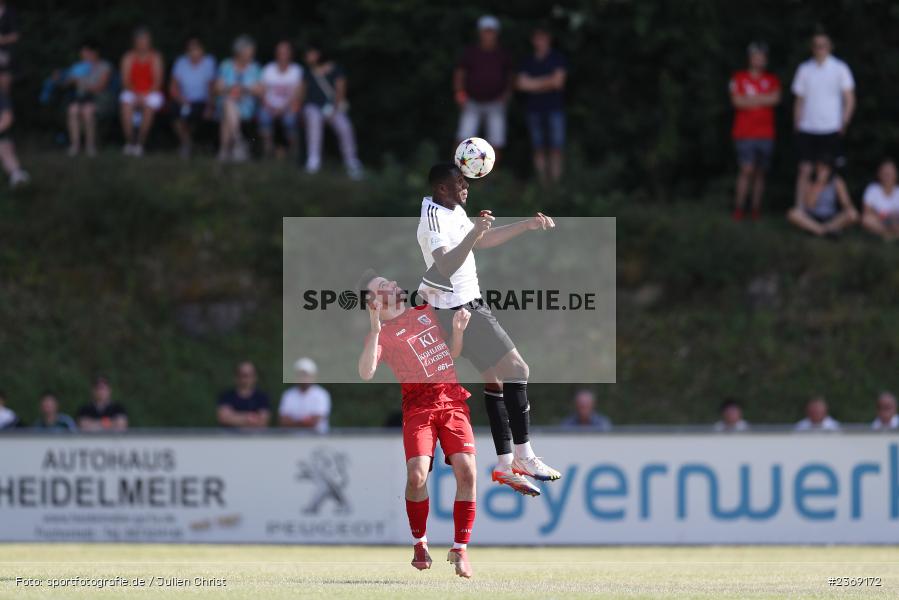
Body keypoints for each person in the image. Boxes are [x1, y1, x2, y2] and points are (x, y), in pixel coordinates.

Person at [416, 163, 561, 495]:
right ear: (441, 189)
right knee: (518, 368)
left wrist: (525, 225)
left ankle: (504, 463)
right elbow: (445, 265)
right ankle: (525, 455)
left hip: (459, 306)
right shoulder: (433, 218)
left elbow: (479, 242)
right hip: (458, 307)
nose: (466, 186)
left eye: (466, 181)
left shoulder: (451, 210)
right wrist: (473, 232)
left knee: (495, 378)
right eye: (459, 182)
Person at [358, 271, 477, 578]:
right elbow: (366, 372)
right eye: (384, 286)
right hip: (418, 409)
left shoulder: (424, 309)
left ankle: (460, 550)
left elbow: (451, 354)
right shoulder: (381, 335)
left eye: (389, 281)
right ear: (374, 301)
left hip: (451, 401)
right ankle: (419, 543)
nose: (393, 284)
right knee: (416, 475)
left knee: (467, 471)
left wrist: (458, 331)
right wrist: (374, 328)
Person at [791, 32, 855, 207]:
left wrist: (845, 121)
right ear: (812, 48)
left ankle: (833, 211)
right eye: (817, 45)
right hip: (807, 128)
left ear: (830, 47)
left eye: (824, 45)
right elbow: (799, 100)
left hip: (831, 128)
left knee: (831, 172)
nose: (820, 49)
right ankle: (800, 209)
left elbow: (849, 98)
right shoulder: (804, 69)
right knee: (804, 169)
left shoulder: (840, 68)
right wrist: (797, 122)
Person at [730, 42, 781, 221]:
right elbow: (737, 102)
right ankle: (739, 208)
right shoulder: (739, 77)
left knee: (760, 173)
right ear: (750, 58)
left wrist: (750, 100)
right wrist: (763, 100)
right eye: (755, 56)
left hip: (766, 133)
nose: (758, 60)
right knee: (746, 170)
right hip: (744, 133)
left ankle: (755, 209)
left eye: (762, 57)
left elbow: (775, 99)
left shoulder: (772, 79)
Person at [301, 41, 362, 179]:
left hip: (333, 108)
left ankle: (352, 163)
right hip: (313, 107)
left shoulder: (336, 69)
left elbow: (340, 91)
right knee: (314, 121)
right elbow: (303, 93)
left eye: (312, 53)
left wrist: (333, 109)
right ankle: (313, 161)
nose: (309, 57)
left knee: (345, 127)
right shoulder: (307, 72)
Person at [454, 15, 513, 157]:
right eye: (485, 31)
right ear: (480, 33)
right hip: (472, 102)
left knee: (496, 141)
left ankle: (489, 176)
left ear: (496, 33)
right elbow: (460, 74)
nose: (488, 35)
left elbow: (510, 77)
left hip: (495, 103)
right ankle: (456, 173)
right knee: (463, 139)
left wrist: (506, 95)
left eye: (491, 31)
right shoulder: (471, 52)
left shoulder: (502, 54)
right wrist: (460, 93)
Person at [517, 24, 567, 184]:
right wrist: (547, 82)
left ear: (549, 39)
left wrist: (533, 84)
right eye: (537, 37)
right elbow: (521, 84)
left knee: (556, 148)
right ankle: (543, 184)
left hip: (554, 109)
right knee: (538, 148)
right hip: (534, 110)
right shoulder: (528, 60)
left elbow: (558, 82)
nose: (540, 41)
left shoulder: (557, 58)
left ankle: (556, 184)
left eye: (543, 37)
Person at [215, 35, 262, 162]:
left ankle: (224, 151)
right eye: (249, 51)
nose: (252, 54)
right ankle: (238, 143)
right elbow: (218, 88)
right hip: (227, 102)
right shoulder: (226, 65)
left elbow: (260, 91)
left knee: (227, 113)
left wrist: (243, 89)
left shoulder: (255, 68)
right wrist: (231, 89)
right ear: (240, 52)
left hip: (247, 104)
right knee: (228, 104)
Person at [119, 28, 164, 157]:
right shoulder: (128, 57)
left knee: (149, 107)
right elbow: (125, 80)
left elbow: (158, 81)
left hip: (151, 92)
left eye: (147, 40)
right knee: (126, 106)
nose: (144, 43)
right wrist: (136, 94)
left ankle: (140, 144)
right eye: (141, 40)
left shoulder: (155, 57)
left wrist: (144, 95)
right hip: (132, 91)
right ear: (135, 42)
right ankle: (130, 142)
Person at [170, 37, 217, 158]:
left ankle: (188, 145)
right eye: (191, 50)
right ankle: (187, 143)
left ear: (202, 50)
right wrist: (180, 99)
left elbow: (211, 87)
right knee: (175, 113)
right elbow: (173, 86)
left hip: (202, 101)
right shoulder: (181, 62)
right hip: (184, 100)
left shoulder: (209, 62)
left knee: (196, 117)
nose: (194, 52)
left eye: (196, 49)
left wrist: (210, 105)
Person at [64, 39, 111, 157]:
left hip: (99, 99)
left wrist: (82, 83)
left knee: (87, 111)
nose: (84, 55)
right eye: (83, 52)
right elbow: (66, 82)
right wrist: (69, 79)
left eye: (86, 52)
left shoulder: (104, 66)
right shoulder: (78, 67)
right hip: (81, 98)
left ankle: (90, 146)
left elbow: (100, 87)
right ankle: (75, 145)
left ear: (94, 52)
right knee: (72, 110)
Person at [786, 162, 858, 237]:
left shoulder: (837, 181)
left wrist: (847, 209)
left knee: (853, 214)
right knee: (793, 213)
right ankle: (824, 232)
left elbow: (846, 203)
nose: (821, 172)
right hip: (812, 217)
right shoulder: (810, 181)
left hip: (831, 217)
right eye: (819, 169)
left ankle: (818, 230)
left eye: (824, 169)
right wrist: (819, 184)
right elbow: (809, 205)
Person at [259, 40, 302, 158]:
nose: (282, 55)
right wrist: (269, 106)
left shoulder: (297, 71)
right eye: (280, 52)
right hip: (269, 106)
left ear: (290, 54)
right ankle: (267, 151)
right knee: (264, 117)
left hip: (289, 106)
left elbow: (298, 94)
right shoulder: (268, 69)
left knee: (290, 120)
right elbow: (262, 92)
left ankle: (293, 152)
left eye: (285, 52)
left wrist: (283, 108)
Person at [278, 357, 331, 433]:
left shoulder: (321, 395)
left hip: (317, 440)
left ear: (313, 376)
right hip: (292, 441)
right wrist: (304, 422)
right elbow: (283, 421)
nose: (303, 377)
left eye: (306, 374)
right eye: (301, 374)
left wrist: (294, 422)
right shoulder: (288, 395)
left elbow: (315, 421)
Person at [217, 361, 270, 428]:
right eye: (243, 375)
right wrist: (249, 418)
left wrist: (234, 418)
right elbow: (224, 418)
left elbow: (263, 422)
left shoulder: (262, 398)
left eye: (249, 375)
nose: (246, 379)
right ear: (236, 377)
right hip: (230, 437)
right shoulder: (226, 396)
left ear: (255, 377)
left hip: (255, 437)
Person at [861, 159, 899, 241]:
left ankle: (889, 235)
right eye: (885, 174)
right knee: (866, 219)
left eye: (890, 173)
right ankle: (889, 234)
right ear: (879, 174)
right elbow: (867, 211)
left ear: (895, 175)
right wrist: (884, 216)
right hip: (879, 220)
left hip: (895, 221)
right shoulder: (872, 189)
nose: (888, 176)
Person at [0, 90, 28, 187]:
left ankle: (16, 174)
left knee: (3, 147)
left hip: (3, 138)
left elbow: (7, 119)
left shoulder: (2, 98)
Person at [0, 1, 19, 93]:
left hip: (4, 53)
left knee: (4, 85)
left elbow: (15, 36)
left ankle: (5, 105)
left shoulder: (10, 12)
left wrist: (3, 40)